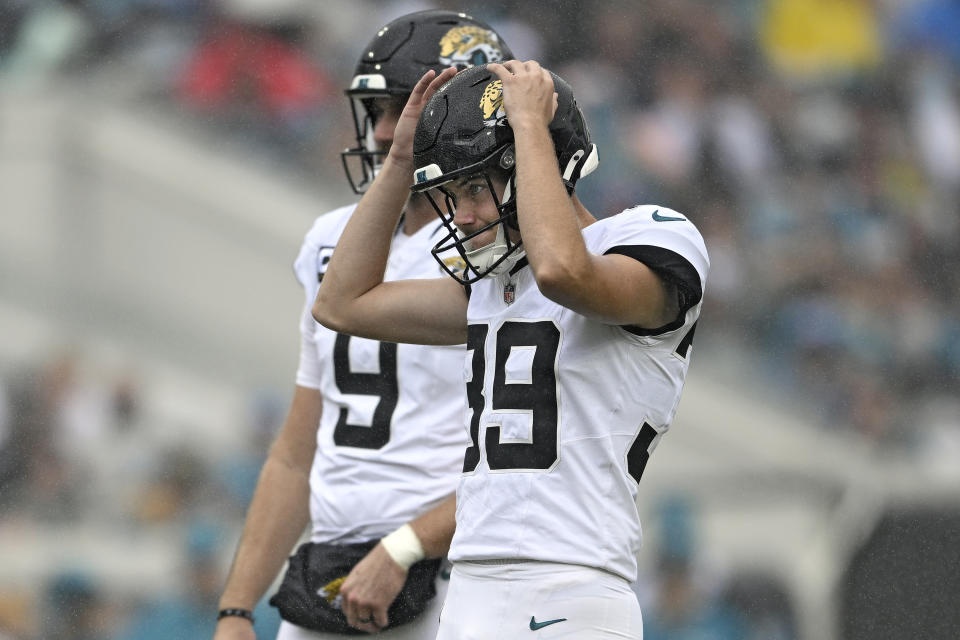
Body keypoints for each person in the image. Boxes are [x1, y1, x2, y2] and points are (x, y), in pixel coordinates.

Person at [312, 60, 709, 639]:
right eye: (451, 193)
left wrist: (526, 126)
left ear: (538, 159)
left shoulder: (649, 235)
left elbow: (563, 272)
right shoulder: (496, 286)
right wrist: (399, 165)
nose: (463, 213)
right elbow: (342, 304)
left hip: (570, 583)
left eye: (474, 187)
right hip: (472, 583)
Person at [213, 11, 512, 640]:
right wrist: (238, 608)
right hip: (335, 567)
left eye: (402, 109)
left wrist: (404, 546)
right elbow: (298, 453)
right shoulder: (330, 242)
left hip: (451, 573)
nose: (382, 133)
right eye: (375, 111)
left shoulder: (499, 249)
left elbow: (523, 458)